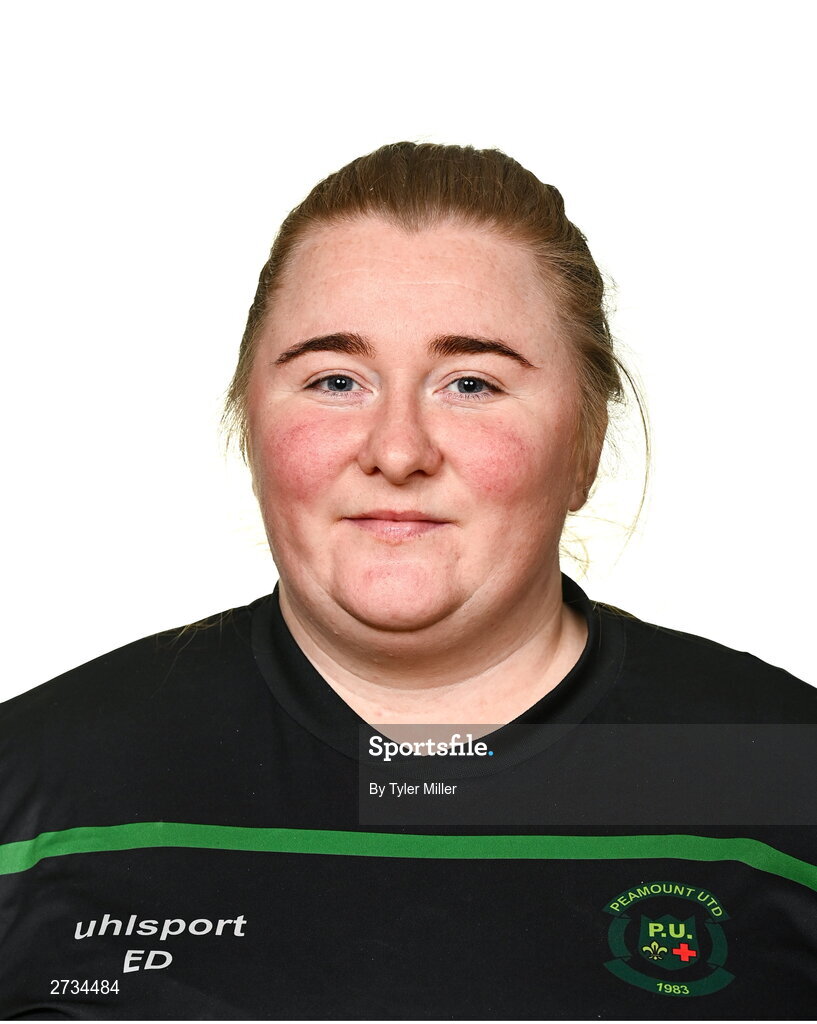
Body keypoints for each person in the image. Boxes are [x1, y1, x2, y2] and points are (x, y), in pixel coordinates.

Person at [1, 141, 815, 1020]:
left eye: (470, 383)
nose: (396, 451)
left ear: (583, 444)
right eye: (335, 379)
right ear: (251, 425)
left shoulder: (779, 771)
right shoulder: (37, 789)